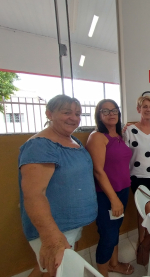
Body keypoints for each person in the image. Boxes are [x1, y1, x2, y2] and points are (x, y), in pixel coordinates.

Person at [18, 95, 97, 277]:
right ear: (49, 114)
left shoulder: (73, 140)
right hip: (54, 227)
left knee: (48, 268)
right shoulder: (40, 146)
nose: (74, 118)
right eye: (67, 112)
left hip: (71, 225)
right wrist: (51, 237)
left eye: (78, 114)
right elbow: (34, 194)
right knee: (52, 270)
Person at [86, 99, 134, 276]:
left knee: (115, 231)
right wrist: (113, 199)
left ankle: (114, 264)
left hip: (122, 191)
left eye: (114, 110)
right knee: (108, 236)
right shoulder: (97, 137)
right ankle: (102, 273)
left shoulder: (118, 135)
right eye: (105, 111)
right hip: (107, 196)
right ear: (98, 115)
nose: (111, 113)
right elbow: (98, 171)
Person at [124, 95, 150, 248]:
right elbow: (124, 154)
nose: (148, 109)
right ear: (138, 109)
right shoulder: (129, 130)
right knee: (144, 210)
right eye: (144, 106)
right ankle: (142, 241)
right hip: (137, 175)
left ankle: (149, 239)